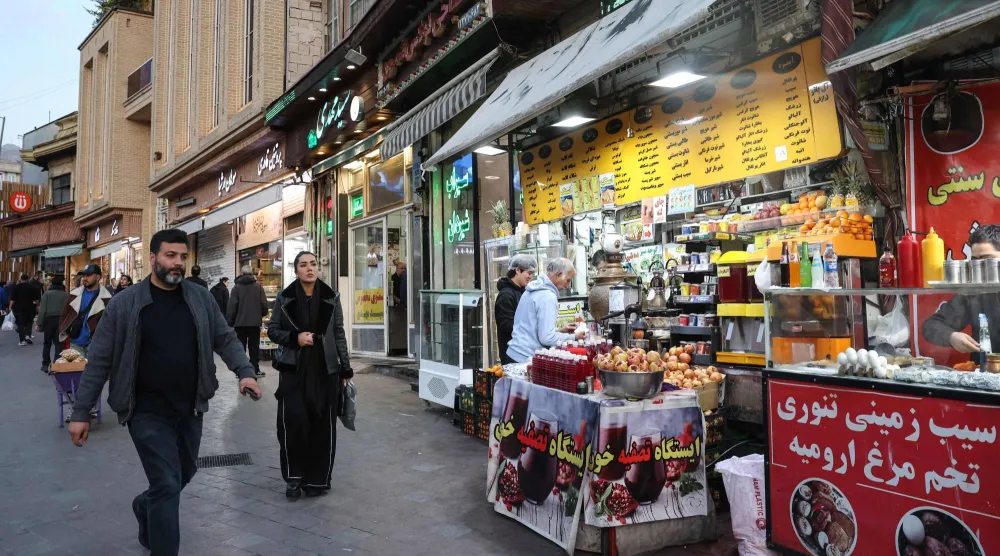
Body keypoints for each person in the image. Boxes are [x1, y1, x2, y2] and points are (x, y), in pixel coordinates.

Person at [67, 228, 261, 556]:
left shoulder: (199, 298)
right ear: (153, 258)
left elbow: (225, 338)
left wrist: (245, 372)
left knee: (183, 473)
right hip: (144, 409)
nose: (178, 263)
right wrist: (81, 411)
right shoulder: (126, 303)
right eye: (171, 256)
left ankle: (145, 506)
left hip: (190, 405)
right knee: (168, 484)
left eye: (183, 257)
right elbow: (99, 359)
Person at [267, 251, 353, 499]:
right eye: (303, 265)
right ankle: (294, 478)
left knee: (322, 427)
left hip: (325, 371)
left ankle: (317, 480)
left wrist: (345, 367)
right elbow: (272, 330)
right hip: (294, 371)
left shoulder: (331, 297)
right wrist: (295, 338)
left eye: (313, 264)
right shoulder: (285, 298)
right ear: (296, 270)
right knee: (293, 424)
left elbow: (338, 333)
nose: (309, 269)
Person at [924, 225, 1000, 354]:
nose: (979, 266)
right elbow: (931, 325)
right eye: (975, 260)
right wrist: (951, 337)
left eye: (987, 259)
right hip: (983, 369)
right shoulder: (973, 295)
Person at [506, 258, 586, 363]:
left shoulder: (532, 289)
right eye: (568, 280)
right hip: (524, 358)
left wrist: (560, 331)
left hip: (514, 353)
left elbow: (532, 329)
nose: (567, 286)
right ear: (558, 274)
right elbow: (546, 339)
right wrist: (574, 336)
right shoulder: (547, 296)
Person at [58, 265, 114, 357]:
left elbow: (110, 323)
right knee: (76, 371)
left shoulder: (107, 298)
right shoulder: (74, 294)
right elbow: (64, 315)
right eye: (83, 275)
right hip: (75, 342)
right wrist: (63, 333)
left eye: (88, 275)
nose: (84, 278)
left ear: (98, 277)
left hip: (95, 344)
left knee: (93, 371)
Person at [228, 266, 269, 379]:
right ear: (251, 273)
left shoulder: (236, 288)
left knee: (240, 347)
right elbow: (264, 305)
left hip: (239, 324)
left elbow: (232, 306)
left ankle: (241, 371)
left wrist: (230, 321)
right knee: (254, 347)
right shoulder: (258, 287)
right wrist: (260, 315)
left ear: (241, 273)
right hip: (254, 324)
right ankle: (255, 369)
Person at [495, 255, 537, 365]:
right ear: (518, 270)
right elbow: (505, 325)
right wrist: (531, 323)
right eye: (528, 273)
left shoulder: (523, 292)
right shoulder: (506, 295)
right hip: (512, 354)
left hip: (523, 351)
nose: (530, 277)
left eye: (532, 274)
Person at [38, 277, 69, 372]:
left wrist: (40, 323)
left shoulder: (47, 294)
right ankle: (56, 365)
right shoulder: (65, 295)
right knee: (58, 343)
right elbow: (68, 310)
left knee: (47, 343)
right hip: (61, 321)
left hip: (48, 321)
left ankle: (45, 364)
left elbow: (42, 310)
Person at [10, 274, 41, 346]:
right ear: (28, 279)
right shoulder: (33, 287)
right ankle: (28, 335)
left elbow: (12, 299)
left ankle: (22, 341)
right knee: (29, 322)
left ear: (21, 279)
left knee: (20, 324)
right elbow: (37, 300)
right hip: (30, 308)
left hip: (19, 308)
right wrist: (37, 306)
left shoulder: (16, 287)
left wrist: (10, 307)